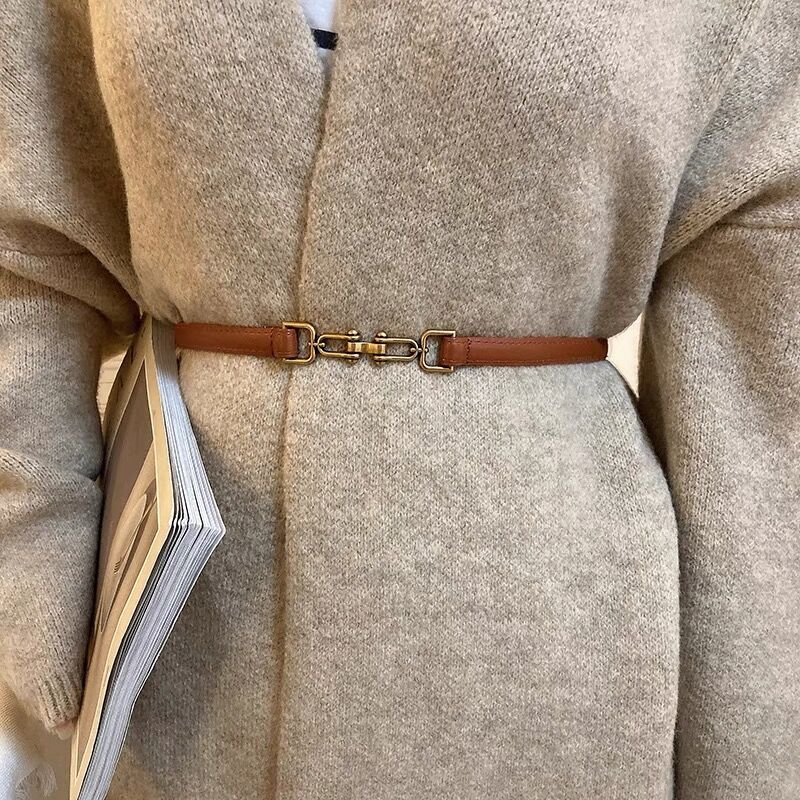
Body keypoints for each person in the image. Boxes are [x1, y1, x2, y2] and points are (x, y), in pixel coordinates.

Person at [1, 0, 798, 798]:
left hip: (542, 624)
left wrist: (749, 752)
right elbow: (29, 237)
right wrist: (34, 524)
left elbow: (757, 381)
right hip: (174, 618)